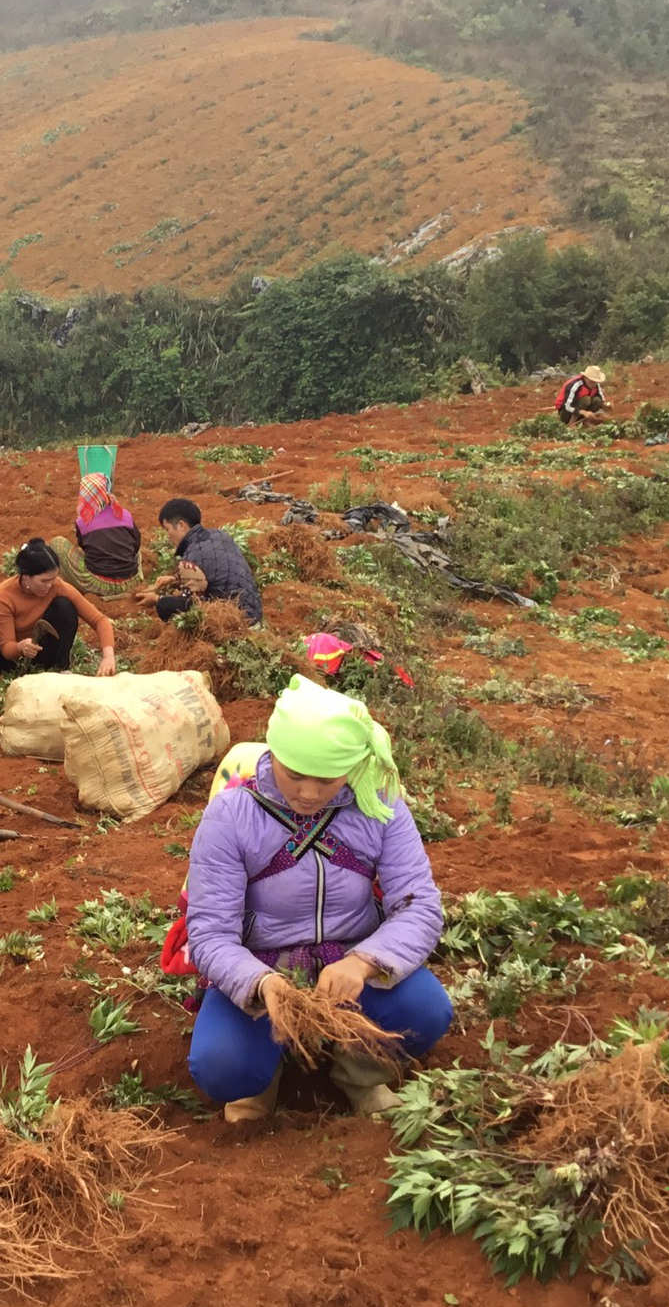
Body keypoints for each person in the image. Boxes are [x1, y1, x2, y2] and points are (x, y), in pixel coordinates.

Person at [185, 676, 452, 1122]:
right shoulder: (232, 814)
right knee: (222, 1066)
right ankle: (261, 1079)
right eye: (295, 775)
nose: (309, 793)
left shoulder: (379, 805)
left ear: (351, 766)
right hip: (266, 970)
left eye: (327, 779)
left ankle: (358, 1071)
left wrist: (363, 962)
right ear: (275, 754)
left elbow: (420, 906)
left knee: (425, 1010)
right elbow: (211, 932)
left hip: (349, 964)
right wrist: (261, 983)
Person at [0, 539, 118, 677]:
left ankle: (60, 668)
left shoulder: (56, 586)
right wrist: (20, 647)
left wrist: (108, 656)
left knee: (64, 606)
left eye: (53, 579)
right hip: (12, 659)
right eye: (44, 581)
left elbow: (99, 620)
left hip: (42, 651)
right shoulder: (2, 596)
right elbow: (6, 648)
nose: (49, 585)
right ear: (25, 576)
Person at [135, 498, 263, 627]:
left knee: (165, 605)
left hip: (234, 620)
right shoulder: (220, 535)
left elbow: (189, 602)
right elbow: (211, 571)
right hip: (254, 612)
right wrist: (175, 579)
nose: (168, 535)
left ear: (181, 525)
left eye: (167, 529)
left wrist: (158, 599)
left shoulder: (192, 555)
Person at [48, 472, 146, 596]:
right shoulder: (124, 514)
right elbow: (136, 546)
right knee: (132, 537)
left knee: (58, 543)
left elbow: (83, 547)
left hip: (99, 584)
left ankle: (74, 591)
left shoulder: (83, 521)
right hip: (131, 580)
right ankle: (133, 581)